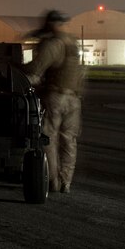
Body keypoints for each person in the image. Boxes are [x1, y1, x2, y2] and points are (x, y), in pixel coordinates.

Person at [25, 10, 85, 193]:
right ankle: (66, 181)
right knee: (69, 141)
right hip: (74, 99)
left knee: (49, 138)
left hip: (56, 97)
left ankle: (51, 181)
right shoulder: (72, 44)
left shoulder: (53, 44)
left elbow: (36, 70)